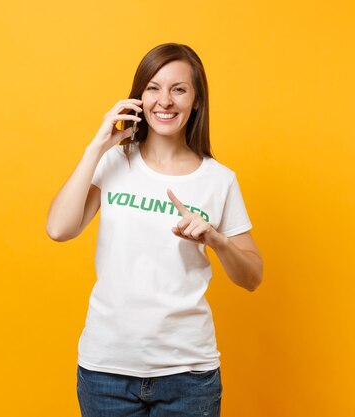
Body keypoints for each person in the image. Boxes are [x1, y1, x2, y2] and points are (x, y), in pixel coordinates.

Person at [46, 43, 263, 417]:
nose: (165, 100)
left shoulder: (219, 180)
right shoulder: (115, 162)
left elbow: (252, 276)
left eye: (179, 89)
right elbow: (59, 229)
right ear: (139, 98)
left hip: (188, 375)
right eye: (153, 88)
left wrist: (216, 239)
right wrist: (98, 145)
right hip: (106, 371)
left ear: (196, 101)